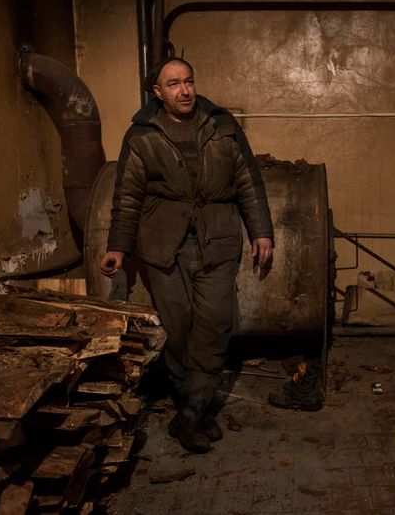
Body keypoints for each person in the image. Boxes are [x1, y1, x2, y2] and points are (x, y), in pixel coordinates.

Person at [99, 57, 274, 454]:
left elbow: (248, 179)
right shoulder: (142, 135)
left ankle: (188, 416)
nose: (185, 90)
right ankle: (197, 410)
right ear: (158, 93)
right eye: (174, 84)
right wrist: (117, 246)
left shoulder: (223, 125)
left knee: (214, 326)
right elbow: (127, 196)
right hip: (165, 245)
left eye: (189, 81)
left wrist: (261, 231)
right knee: (178, 333)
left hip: (218, 240)